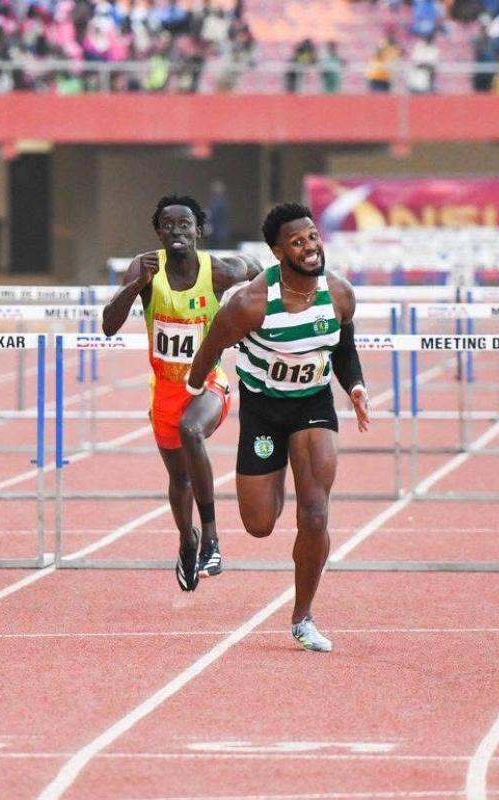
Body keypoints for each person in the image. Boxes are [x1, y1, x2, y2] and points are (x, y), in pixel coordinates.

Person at [186, 203, 370, 651]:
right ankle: (282, 474)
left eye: (312, 238)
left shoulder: (339, 293)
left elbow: (343, 347)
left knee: (315, 513)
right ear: (277, 251)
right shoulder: (250, 303)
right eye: (297, 242)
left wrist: (357, 387)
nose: (309, 248)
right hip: (264, 411)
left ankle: (302, 616)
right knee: (260, 524)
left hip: (313, 406)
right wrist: (193, 388)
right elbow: (210, 347)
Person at [101, 195, 261, 591]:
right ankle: (186, 539)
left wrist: (246, 330)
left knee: (192, 431)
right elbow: (108, 325)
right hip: (166, 390)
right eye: (168, 225)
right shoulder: (145, 267)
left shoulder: (220, 271)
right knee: (179, 479)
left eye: (184, 224)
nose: (176, 231)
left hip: (209, 383)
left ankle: (210, 537)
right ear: (158, 231)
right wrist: (137, 285)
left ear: (199, 231)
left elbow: (259, 274)